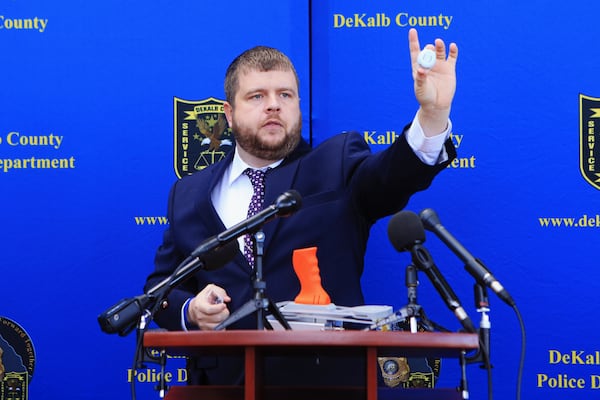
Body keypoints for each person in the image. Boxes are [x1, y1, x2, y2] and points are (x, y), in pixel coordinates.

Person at [144, 28, 459, 386]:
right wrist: (191, 310)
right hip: (222, 387)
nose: (274, 105)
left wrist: (432, 115)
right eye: (257, 96)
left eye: (285, 95)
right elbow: (161, 290)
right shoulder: (188, 193)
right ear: (228, 114)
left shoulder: (335, 164)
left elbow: (389, 178)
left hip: (327, 383)